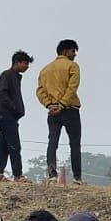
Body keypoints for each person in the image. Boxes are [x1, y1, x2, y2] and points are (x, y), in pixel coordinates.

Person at [36, 40, 82, 183]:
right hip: (70, 110)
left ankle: (52, 175)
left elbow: (40, 91)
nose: (74, 54)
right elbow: (72, 88)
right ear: (66, 51)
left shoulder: (45, 70)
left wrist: (50, 105)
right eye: (73, 51)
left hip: (52, 111)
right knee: (74, 143)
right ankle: (77, 177)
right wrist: (62, 104)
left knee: (52, 143)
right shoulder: (72, 66)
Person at [0, 51, 33, 182]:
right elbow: (0, 92)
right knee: (14, 145)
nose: (27, 66)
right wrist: (12, 106)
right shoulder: (7, 75)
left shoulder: (15, 77)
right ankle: (18, 175)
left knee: (3, 145)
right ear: (17, 62)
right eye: (25, 63)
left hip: (10, 117)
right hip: (7, 115)